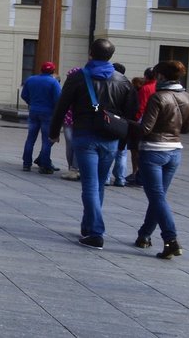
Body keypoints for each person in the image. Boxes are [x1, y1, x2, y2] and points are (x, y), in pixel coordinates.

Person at [48, 38, 137, 249]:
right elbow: (130, 113)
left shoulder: (78, 77)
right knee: (99, 183)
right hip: (110, 138)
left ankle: (96, 232)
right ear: (111, 56)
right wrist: (123, 139)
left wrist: (53, 133)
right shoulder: (123, 80)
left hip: (85, 135)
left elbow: (62, 106)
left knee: (89, 184)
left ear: (90, 53)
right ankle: (88, 226)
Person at [134, 60, 189, 259]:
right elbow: (185, 128)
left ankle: (171, 239)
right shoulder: (187, 96)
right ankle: (144, 235)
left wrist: (125, 125)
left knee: (157, 197)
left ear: (160, 76)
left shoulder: (158, 97)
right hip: (175, 151)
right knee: (158, 197)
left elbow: (145, 129)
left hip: (153, 151)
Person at [21, 61, 62, 174]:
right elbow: (58, 99)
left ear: (41, 69)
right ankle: (44, 165)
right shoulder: (53, 82)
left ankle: (26, 163)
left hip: (34, 111)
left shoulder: (31, 79)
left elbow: (24, 95)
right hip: (48, 113)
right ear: (53, 71)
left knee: (30, 138)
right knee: (46, 141)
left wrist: (31, 102)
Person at [127, 67, 158, 186]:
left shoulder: (145, 88)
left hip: (141, 122)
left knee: (135, 150)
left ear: (146, 76)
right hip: (154, 124)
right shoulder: (158, 87)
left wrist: (134, 120)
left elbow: (141, 106)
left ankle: (136, 173)